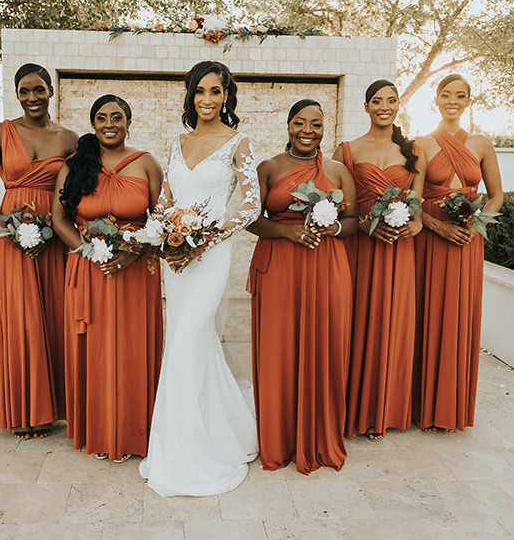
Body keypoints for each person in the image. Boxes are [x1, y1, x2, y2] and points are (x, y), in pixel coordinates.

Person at [139, 60, 260, 496]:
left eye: (216, 91)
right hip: (176, 259)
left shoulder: (238, 142)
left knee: (188, 340)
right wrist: (165, 230)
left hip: (211, 255)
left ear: (227, 96)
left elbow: (251, 205)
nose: (207, 99)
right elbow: (167, 199)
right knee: (189, 342)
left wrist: (208, 235)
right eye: (200, 91)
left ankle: (191, 455)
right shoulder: (176, 142)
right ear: (190, 95)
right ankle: (214, 432)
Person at [52, 94, 164, 462]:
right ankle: (99, 431)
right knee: (96, 351)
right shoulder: (75, 165)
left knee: (133, 349)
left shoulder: (147, 164)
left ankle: (135, 433)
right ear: (93, 124)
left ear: (129, 122)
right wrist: (89, 252)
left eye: (117, 117)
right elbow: (60, 220)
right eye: (101, 118)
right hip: (90, 270)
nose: (109, 124)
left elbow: (160, 220)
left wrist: (132, 253)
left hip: (137, 270)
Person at [247, 99, 357, 473]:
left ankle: (320, 437)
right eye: (300, 122)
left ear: (325, 129)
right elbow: (250, 219)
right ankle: (279, 440)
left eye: (316, 124)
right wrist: (286, 231)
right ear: (288, 125)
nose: (308, 130)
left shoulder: (339, 171)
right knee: (279, 351)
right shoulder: (268, 167)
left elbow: (355, 220)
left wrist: (336, 227)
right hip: (278, 265)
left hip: (327, 268)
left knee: (326, 347)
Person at [0, 64, 78, 440]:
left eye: (38, 90)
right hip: (13, 239)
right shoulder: (0, 133)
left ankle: (52, 410)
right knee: (19, 320)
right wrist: (8, 227)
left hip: (53, 240)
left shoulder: (69, 139)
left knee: (52, 317)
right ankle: (20, 409)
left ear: (51, 91)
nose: (31, 97)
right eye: (23, 91)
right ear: (16, 94)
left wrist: (58, 229)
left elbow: (77, 193)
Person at [333, 80, 426, 441]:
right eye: (377, 101)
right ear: (366, 106)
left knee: (394, 324)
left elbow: (417, 208)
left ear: (398, 105)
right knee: (355, 322)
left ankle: (383, 411)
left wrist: (411, 226)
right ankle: (351, 411)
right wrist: (368, 224)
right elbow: (339, 201)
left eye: (391, 101)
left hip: (399, 249)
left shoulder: (414, 150)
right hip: (360, 247)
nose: (384, 107)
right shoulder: (347, 150)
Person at [413, 74, 503, 433]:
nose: (453, 100)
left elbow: (496, 194)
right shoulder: (420, 143)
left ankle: (449, 408)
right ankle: (422, 405)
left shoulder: (481, 143)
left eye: (460, 96)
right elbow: (414, 200)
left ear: (468, 101)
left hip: (468, 237)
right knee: (429, 312)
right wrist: (439, 227)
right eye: (446, 94)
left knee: (458, 315)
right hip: (432, 236)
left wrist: (476, 220)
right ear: (435, 99)